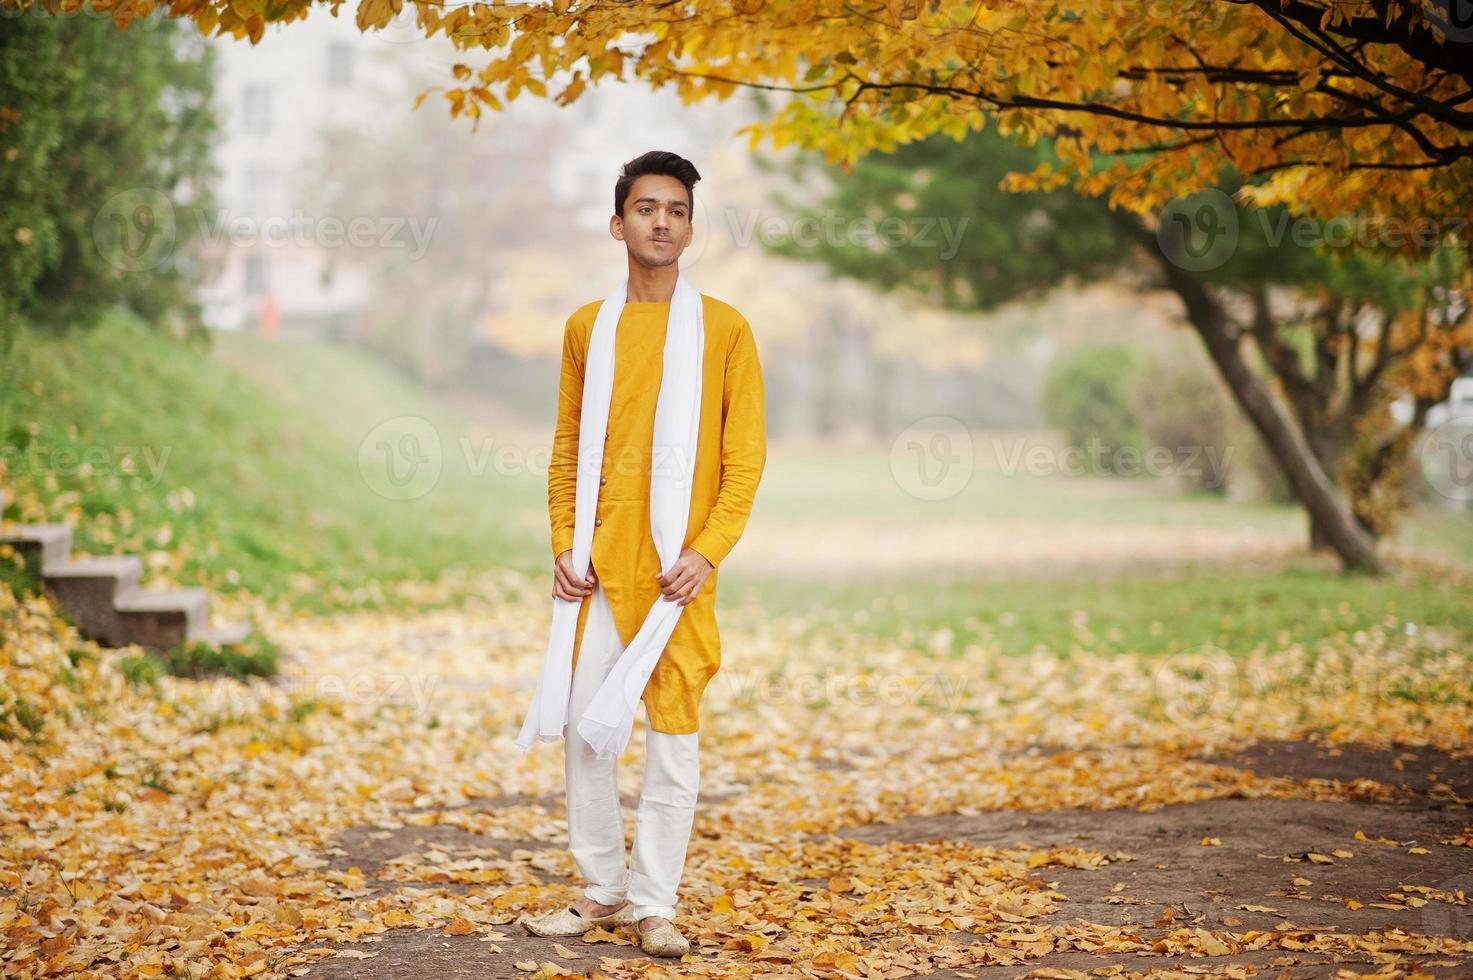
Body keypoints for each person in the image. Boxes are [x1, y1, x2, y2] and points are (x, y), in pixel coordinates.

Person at [517, 150, 767, 958]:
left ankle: (655, 902)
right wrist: (564, 542)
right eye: (648, 208)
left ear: (691, 228)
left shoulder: (724, 329)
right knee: (587, 737)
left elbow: (744, 458)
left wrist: (708, 552)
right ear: (618, 222)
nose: (663, 221)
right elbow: (565, 449)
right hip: (596, 574)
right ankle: (603, 890)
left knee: (673, 737)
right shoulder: (588, 328)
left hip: (675, 578)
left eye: (678, 210)